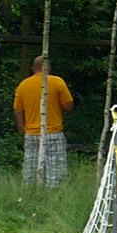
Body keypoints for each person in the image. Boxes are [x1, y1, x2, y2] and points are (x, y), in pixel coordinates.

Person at [12, 55, 74, 185]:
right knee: (56, 173)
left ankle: (30, 192)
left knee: (30, 171)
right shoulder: (57, 82)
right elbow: (68, 106)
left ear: (33, 68)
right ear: (48, 68)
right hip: (53, 132)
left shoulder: (23, 85)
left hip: (31, 133)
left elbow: (18, 111)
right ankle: (54, 193)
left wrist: (23, 130)